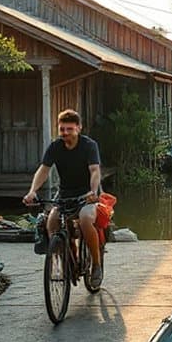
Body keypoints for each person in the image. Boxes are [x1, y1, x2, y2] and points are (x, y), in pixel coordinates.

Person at [23, 109, 106, 263]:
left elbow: (95, 170)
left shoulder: (89, 145)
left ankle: (96, 263)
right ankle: (67, 259)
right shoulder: (55, 147)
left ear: (79, 128)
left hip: (87, 194)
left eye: (69, 129)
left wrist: (93, 191)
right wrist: (32, 191)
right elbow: (43, 170)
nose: (65, 133)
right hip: (64, 195)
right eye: (62, 129)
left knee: (85, 219)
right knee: (51, 223)